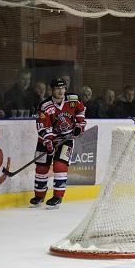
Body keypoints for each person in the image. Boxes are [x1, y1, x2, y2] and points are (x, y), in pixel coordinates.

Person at [29, 78, 86, 208]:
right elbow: (43, 125)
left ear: (65, 89)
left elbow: (81, 110)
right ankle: (39, 196)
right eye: (57, 88)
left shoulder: (73, 100)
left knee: (60, 166)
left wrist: (79, 124)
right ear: (52, 90)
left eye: (62, 88)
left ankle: (57, 197)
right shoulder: (45, 105)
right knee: (41, 167)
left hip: (67, 138)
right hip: (47, 139)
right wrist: (48, 141)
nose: (60, 91)